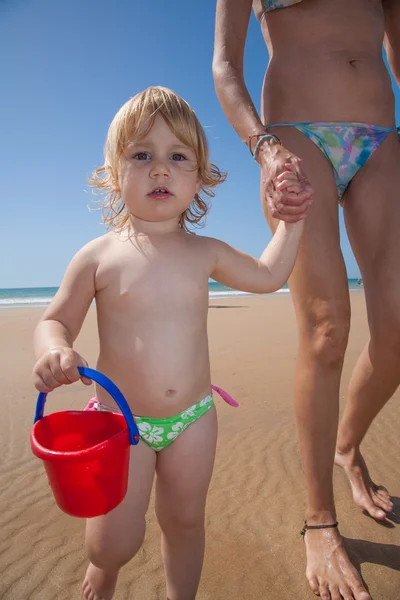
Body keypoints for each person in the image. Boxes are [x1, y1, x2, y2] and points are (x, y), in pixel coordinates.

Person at [32, 86, 309, 600]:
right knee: (113, 541)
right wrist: (54, 350)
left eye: (177, 156)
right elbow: (55, 320)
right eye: (142, 155)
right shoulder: (98, 256)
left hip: (193, 419)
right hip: (120, 425)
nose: (161, 169)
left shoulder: (205, 252)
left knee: (184, 520)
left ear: (199, 177)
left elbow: (269, 274)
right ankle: (105, 568)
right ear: (115, 174)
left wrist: (290, 223)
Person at [212, 1, 399, 599]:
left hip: (382, 136)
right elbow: (224, 66)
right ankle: (320, 520)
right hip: (294, 138)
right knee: (326, 327)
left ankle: (347, 447)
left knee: (398, 330)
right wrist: (263, 148)